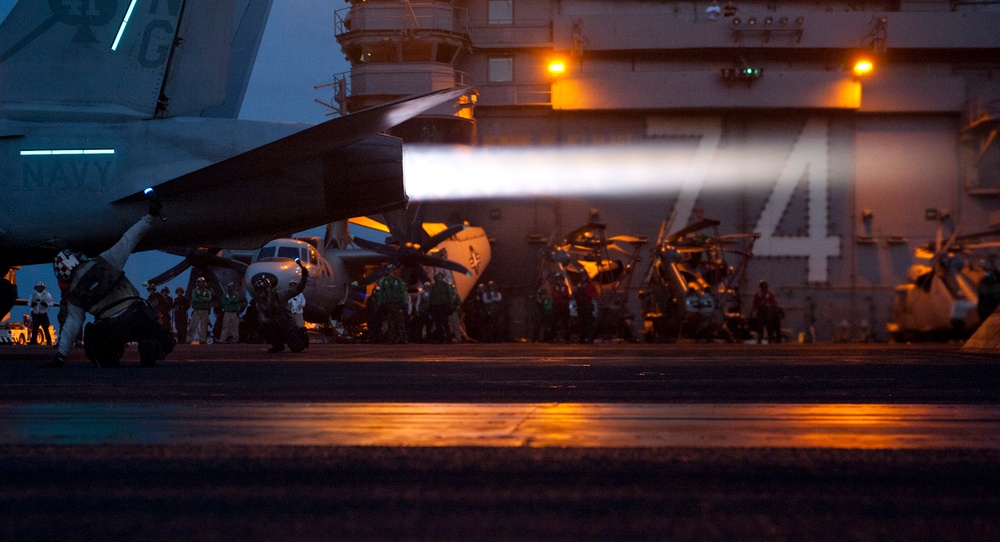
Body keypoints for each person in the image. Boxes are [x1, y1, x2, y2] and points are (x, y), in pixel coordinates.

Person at [45, 202, 174, 368]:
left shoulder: (74, 295)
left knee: (99, 348)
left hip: (110, 328)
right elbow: (131, 237)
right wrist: (150, 216)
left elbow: (72, 325)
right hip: (136, 317)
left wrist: (61, 355)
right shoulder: (107, 261)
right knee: (166, 340)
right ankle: (151, 345)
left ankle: (109, 357)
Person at [250, 259, 309, 353]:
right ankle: (278, 345)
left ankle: (300, 335)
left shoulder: (280, 295)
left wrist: (304, 278)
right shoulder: (261, 304)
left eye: (261, 291)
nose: (259, 294)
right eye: (258, 292)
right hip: (276, 328)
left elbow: (296, 290)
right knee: (262, 329)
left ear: (267, 289)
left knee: (297, 349)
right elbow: (262, 319)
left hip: (287, 327)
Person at [377, 265, 408, 344]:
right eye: (390, 271)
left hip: (398, 303)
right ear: (388, 272)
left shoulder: (398, 281)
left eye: (393, 271)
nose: (391, 273)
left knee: (400, 321)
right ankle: (391, 339)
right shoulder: (384, 282)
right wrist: (379, 303)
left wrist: (404, 302)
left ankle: (402, 338)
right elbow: (381, 293)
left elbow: (403, 291)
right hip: (389, 304)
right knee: (390, 322)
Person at [428, 272, 458, 343]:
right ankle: (440, 339)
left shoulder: (446, 285)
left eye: (441, 277)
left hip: (444, 306)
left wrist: (451, 305)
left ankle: (448, 339)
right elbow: (430, 297)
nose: (439, 278)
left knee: (445, 323)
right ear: (435, 278)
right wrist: (429, 306)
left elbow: (450, 296)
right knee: (438, 324)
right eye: (438, 277)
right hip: (436, 306)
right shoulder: (433, 286)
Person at [751, 279, 782, 343]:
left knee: (769, 326)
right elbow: (755, 303)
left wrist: (770, 306)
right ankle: (760, 339)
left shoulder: (769, 295)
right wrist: (754, 310)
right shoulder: (758, 295)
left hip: (767, 311)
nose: (763, 287)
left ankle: (769, 339)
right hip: (761, 311)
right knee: (760, 326)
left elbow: (773, 303)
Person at [187, 276, 212, 344]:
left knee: (204, 326)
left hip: (205, 310)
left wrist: (199, 299)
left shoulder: (208, 292)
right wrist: (204, 300)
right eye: (200, 282)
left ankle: (203, 340)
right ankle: (189, 340)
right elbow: (194, 299)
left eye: (202, 282)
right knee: (193, 325)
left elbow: (209, 299)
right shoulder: (195, 291)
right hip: (197, 310)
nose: (201, 283)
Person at [574, 274, 598, 344]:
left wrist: (586, 294)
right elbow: (576, 292)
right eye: (582, 276)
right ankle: (582, 338)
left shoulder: (590, 284)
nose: (583, 278)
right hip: (580, 306)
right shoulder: (579, 284)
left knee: (589, 323)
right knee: (581, 323)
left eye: (584, 276)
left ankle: (590, 339)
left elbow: (595, 293)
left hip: (587, 306)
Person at [28, 281, 54, 345]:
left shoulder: (47, 294)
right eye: (38, 287)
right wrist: (32, 305)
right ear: (36, 288)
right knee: (35, 328)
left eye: (41, 287)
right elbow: (28, 303)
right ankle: (33, 341)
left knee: (45, 328)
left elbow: (52, 302)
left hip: (43, 314)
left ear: (43, 288)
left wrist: (47, 304)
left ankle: (49, 341)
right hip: (35, 314)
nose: (39, 288)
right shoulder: (33, 295)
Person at [549, 273, 572, 343]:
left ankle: (567, 338)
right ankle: (553, 337)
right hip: (556, 306)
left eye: (560, 280)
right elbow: (554, 295)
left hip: (563, 307)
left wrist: (559, 294)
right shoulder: (554, 288)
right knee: (554, 323)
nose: (559, 281)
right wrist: (560, 294)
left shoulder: (565, 287)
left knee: (565, 323)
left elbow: (565, 295)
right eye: (558, 280)